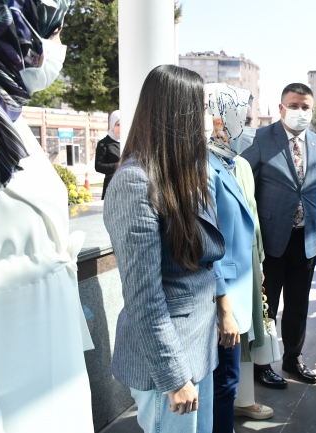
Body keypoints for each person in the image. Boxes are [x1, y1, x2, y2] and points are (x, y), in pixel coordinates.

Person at [0, 2, 94, 432]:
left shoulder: (3, 112)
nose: (59, 47)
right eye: (53, 32)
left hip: (53, 372)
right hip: (5, 391)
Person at [104, 65, 225, 433]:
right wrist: (173, 376)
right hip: (169, 361)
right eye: (202, 109)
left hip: (196, 346)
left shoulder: (184, 173)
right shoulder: (134, 182)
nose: (208, 120)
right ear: (179, 113)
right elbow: (144, 296)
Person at [241, 83, 316, 388]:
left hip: (306, 240)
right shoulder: (260, 139)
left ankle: (293, 360)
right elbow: (246, 190)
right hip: (269, 240)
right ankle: (262, 364)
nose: (300, 111)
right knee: (266, 306)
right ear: (281, 108)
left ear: (312, 110)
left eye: (305, 107)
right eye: (293, 105)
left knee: (298, 306)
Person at [205, 84, 274, 421]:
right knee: (222, 381)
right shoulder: (203, 167)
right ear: (219, 120)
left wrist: (257, 263)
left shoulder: (233, 163)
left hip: (240, 283)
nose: (249, 128)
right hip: (220, 293)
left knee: (228, 378)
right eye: (243, 120)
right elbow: (207, 241)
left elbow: (251, 222)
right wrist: (223, 306)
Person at [95, 110, 121, 199]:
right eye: (118, 125)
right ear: (112, 124)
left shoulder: (128, 142)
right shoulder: (104, 143)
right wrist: (118, 165)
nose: (120, 128)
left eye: (122, 125)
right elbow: (98, 166)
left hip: (127, 186)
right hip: (111, 186)